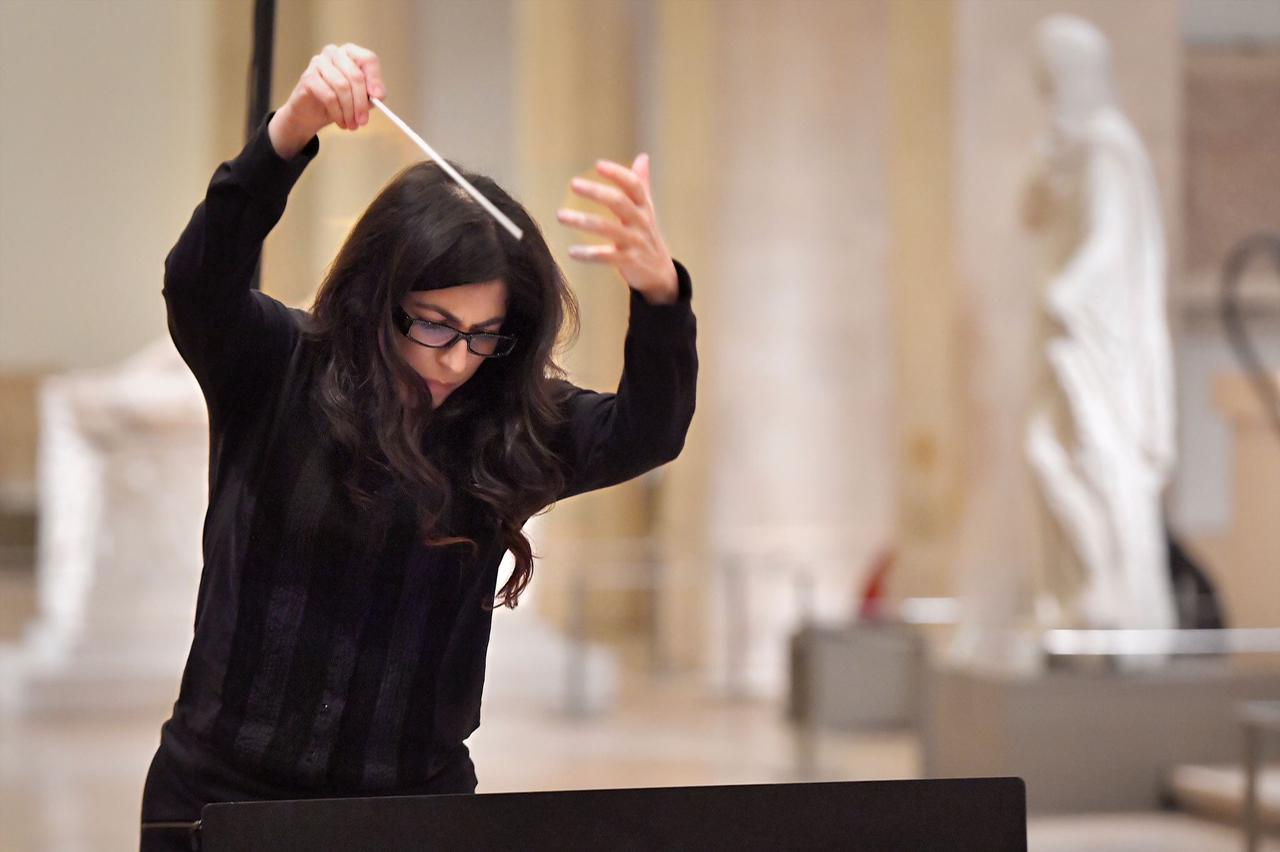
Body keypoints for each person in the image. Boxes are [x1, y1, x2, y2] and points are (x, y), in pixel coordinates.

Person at [140, 43, 697, 850]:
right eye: (433, 324)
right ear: (378, 294)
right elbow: (198, 283)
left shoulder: (507, 424)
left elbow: (650, 431)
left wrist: (661, 294)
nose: (455, 360)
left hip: (414, 809)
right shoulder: (277, 368)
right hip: (220, 794)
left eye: (484, 334)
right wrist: (291, 130)